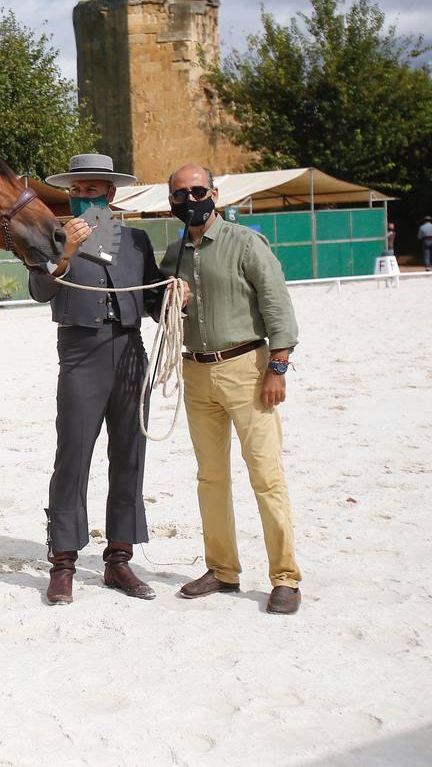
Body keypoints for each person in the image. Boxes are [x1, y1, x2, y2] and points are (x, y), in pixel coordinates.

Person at [161, 165, 302, 615]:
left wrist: (277, 368)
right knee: (210, 478)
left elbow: (277, 305)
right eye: (179, 194)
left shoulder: (246, 243)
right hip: (195, 373)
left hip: (247, 369)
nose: (189, 200)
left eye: (197, 191)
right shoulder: (174, 254)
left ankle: (285, 577)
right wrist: (168, 300)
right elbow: (157, 308)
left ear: (214, 194)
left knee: (266, 474)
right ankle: (223, 570)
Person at [28, 153, 165, 605]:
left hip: (130, 352)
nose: (82, 196)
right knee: (73, 456)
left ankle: (119, 560)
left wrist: (176, 295)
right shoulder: (51, 236)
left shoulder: (138, 241)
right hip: (81, 355)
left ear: (111, 193)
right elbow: (39, 291)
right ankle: (63, 561)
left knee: (130, 455)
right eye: (76, 189)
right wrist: (64, 254)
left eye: (92, 190)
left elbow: (154, 301)